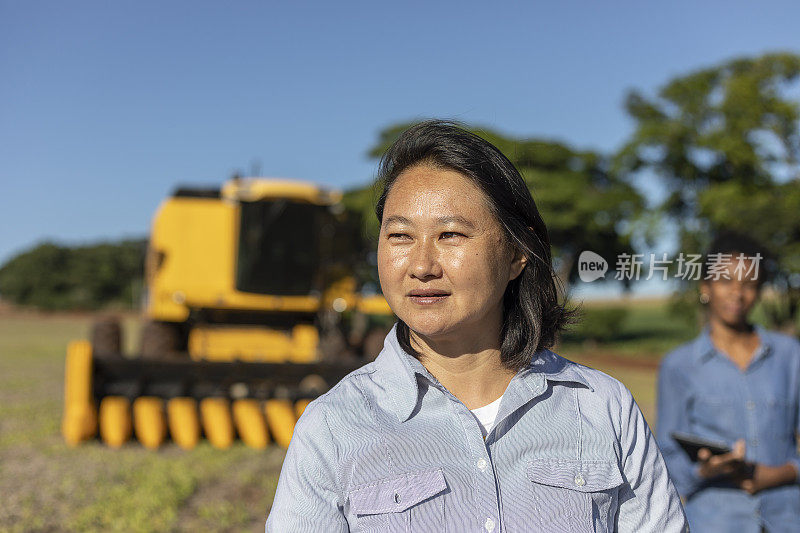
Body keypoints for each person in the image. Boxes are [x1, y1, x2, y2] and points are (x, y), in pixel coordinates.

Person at [266, 120, 687, 532]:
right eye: (399, 236)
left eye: (450, 234)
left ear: (517, 254)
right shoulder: (333, 427)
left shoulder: (602, 408)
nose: (421, 266)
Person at [656, 231, 800, 532]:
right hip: (715, 520)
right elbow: (667, 460)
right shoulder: (678, 365)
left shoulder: (789, 355)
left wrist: (782, 473)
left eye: (749, 284)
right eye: (725, 281)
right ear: (705, 287)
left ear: (760, 290)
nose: (737, 292)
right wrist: (704, 470)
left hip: (788, 517)